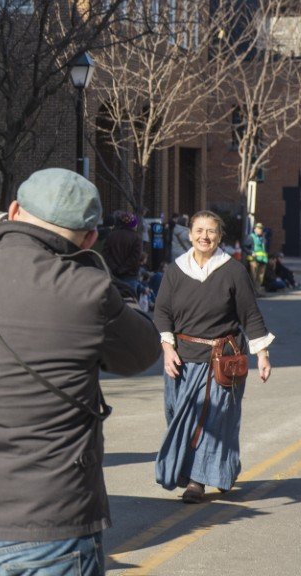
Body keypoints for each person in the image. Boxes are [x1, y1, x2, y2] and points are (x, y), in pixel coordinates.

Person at [0, 168, 160, 576]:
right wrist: (119, 290)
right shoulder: (88, 290)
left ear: (13, 211)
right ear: (89, 239)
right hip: (48, 522)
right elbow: (141, 353)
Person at [154, 210, 274, 503]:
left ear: (220, 236)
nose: (204, 236)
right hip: (182, 359)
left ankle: (197, 482)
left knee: (211, 423)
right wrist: (167, 349)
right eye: (198, 230)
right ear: (190, 233)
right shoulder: (175, 270)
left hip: (222, 359)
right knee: (178, 417)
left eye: (211, 231)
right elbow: (162, 313)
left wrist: (263, 354)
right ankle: (213, 471)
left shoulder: (233, 271)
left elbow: (250, 315)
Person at [103, 211, 146, 298]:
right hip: (130, 276)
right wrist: (122, 269)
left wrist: (115, 268)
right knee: (130, 303)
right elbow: (135, 258)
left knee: (114, 303)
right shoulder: (137, 238)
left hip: (113, 276)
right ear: (133, 224)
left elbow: (106, 254)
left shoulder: (111, 236)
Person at [243, 222, 269, 293]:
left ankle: (257, 291)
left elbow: (264, 249)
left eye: (261, 229)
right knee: (253, 277)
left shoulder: (263, 238)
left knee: (260, 278)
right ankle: (252, 292)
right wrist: (251, 253)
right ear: (254, 229)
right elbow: (245, 247)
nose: (260, 230)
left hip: (263, 260)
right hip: (254, 260)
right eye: (258, 229)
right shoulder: (251, 237)